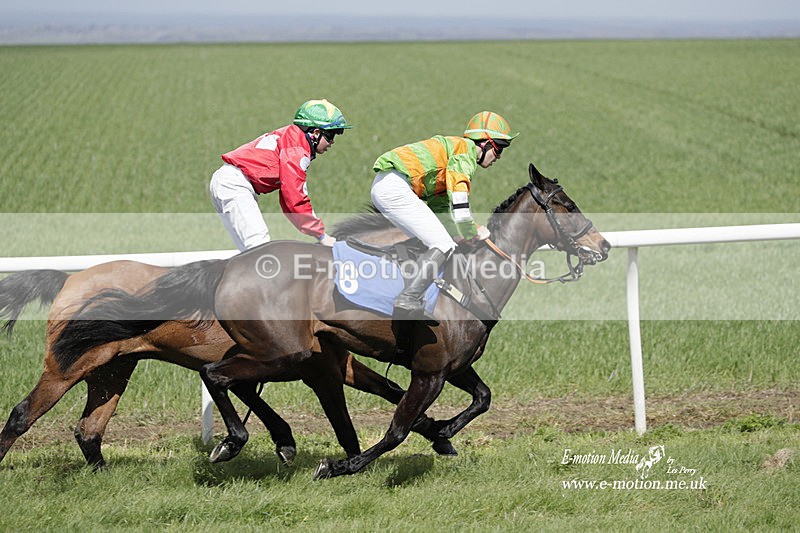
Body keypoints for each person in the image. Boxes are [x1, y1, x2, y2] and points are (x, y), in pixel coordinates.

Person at [371, 111, 518, 322]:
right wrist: (471, 230)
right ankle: (407, 298)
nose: (500, 156)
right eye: (499, 148)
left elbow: (439, 207)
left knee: (436, 242)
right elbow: (459, 192)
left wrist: (458, 236)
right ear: (485, 143)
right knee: (442, 244)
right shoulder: (465, 152)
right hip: (395, 187)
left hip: (387, 185)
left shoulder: (452, 153)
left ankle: (403, 288)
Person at [209, 99, 351, 251]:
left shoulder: (292, 139)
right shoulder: (297, 149)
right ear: (316, 133)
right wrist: (322, 236)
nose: (332, 142)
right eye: (330, 136)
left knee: (248, 253)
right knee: (260, 249)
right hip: (235, 185)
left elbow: (288, 200)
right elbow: (294, 196)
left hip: (228, 182)